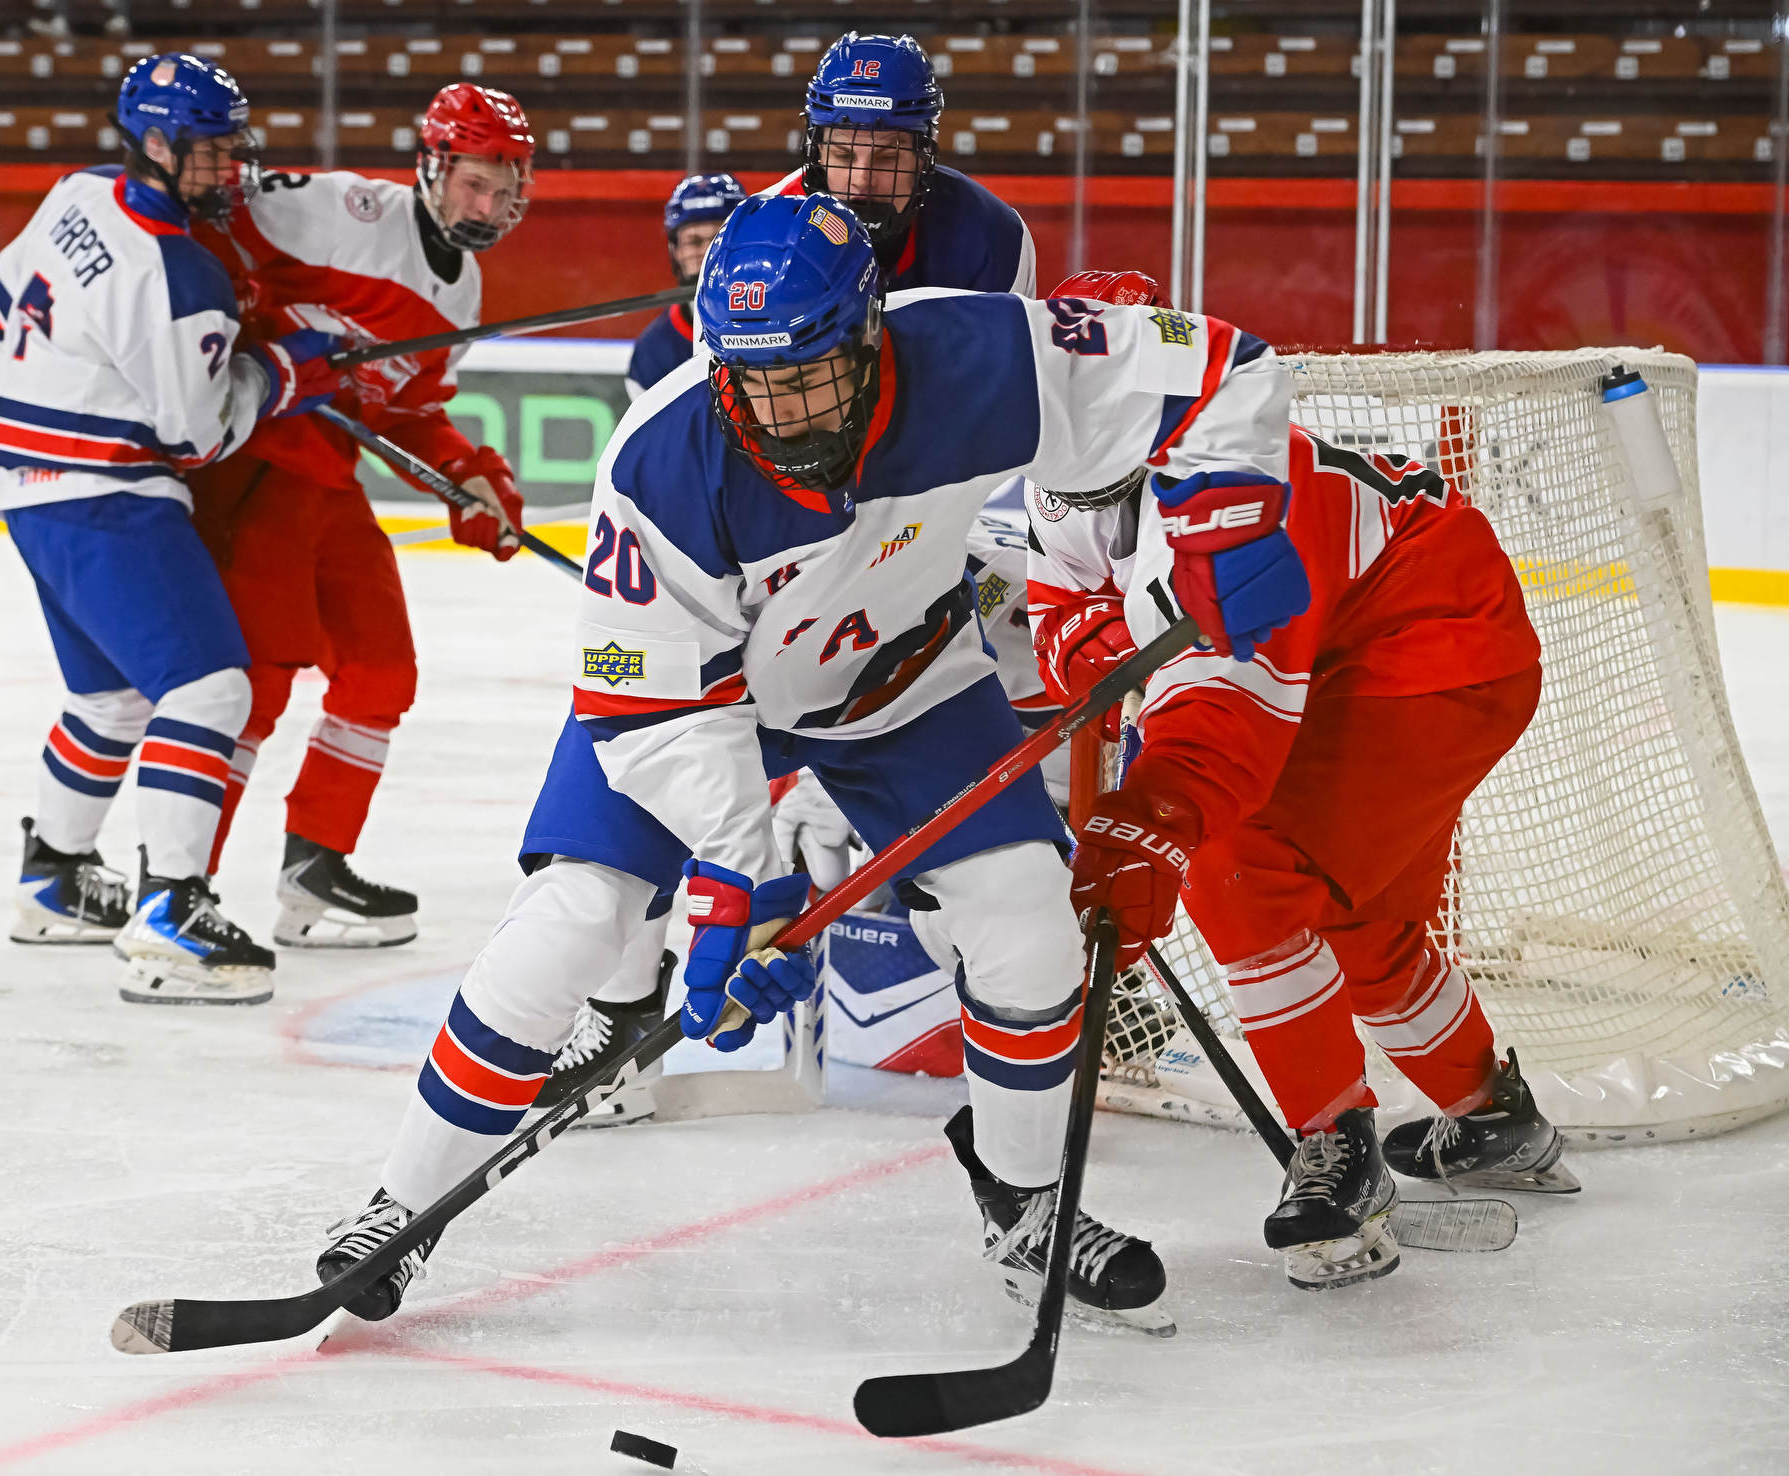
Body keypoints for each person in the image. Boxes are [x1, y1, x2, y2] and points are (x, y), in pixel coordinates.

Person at [313, 192, 1311, 1330]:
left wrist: (1229, 517)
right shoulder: (662, 459)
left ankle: (1027, 1204)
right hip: (695, 709)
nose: (782, 413)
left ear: (869, 332)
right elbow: (651, 714)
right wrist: (747, 879)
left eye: (809, 376)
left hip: (900, 683)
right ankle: (400, 1208)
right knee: (572, 918)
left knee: (1027, 914)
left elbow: (1221, 368)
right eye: (754, 381)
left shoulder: (976, 352)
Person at [1028, 269, 1575, 1292]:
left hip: (1434, 647)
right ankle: (1494, 1118)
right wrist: (1125, 659)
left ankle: (1335, 1146)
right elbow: (1060, 617)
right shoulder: (1061, 469)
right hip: (1352, 646)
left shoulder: (1229, 490)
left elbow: (1228, 723)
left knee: (1239, 869)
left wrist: (1152, 823)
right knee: (1362, 922)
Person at [536, 40, 1039, 1121]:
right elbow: (726, 448)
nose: (863, 177)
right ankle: (624, 1014)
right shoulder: (763, 241)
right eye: (844, 149)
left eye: (890, 153)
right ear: (813, 141)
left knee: (1009, 729)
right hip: (783, 568)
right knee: (653, 785)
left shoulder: (991, 239)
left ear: (927, 150)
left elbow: (1005, 406)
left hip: (914, 551)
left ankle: (989, 980)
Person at [0, 54, 342, 1005]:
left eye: (230, 146)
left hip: (24, 483)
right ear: (153, 142)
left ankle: (54, 881)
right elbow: (197, 435)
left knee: (111, 702)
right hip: (108, 492)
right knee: (210, 690)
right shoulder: (181, 273)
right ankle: (172, 914)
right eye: (208, 149)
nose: (227, 165)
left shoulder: (78, 191)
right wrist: (282, 373)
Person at [187, 82, 531, 950]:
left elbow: (408, 410)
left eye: (503, 190)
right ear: (433, 166)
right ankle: (182, 889)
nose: (486, 207)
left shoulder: (463, 292)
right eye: (474, 185)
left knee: (380, 672)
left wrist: (469, 476)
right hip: (256, 464)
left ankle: (314, 871)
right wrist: (250, 331)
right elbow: (207, 223)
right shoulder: (342, 211)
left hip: (327, 481)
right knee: (255, 689)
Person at [764, 31, 1034, 296]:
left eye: (887, 158)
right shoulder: (764, 231)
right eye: (843, 156)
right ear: (818, 153)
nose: (861, 179)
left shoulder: (991, 236)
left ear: (923, 157)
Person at [625, 172, 746, 400]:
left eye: (718, 238)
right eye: (694, 241)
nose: (708, 253)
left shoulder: (780, 319)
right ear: (675, 250)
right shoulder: (652, 353)